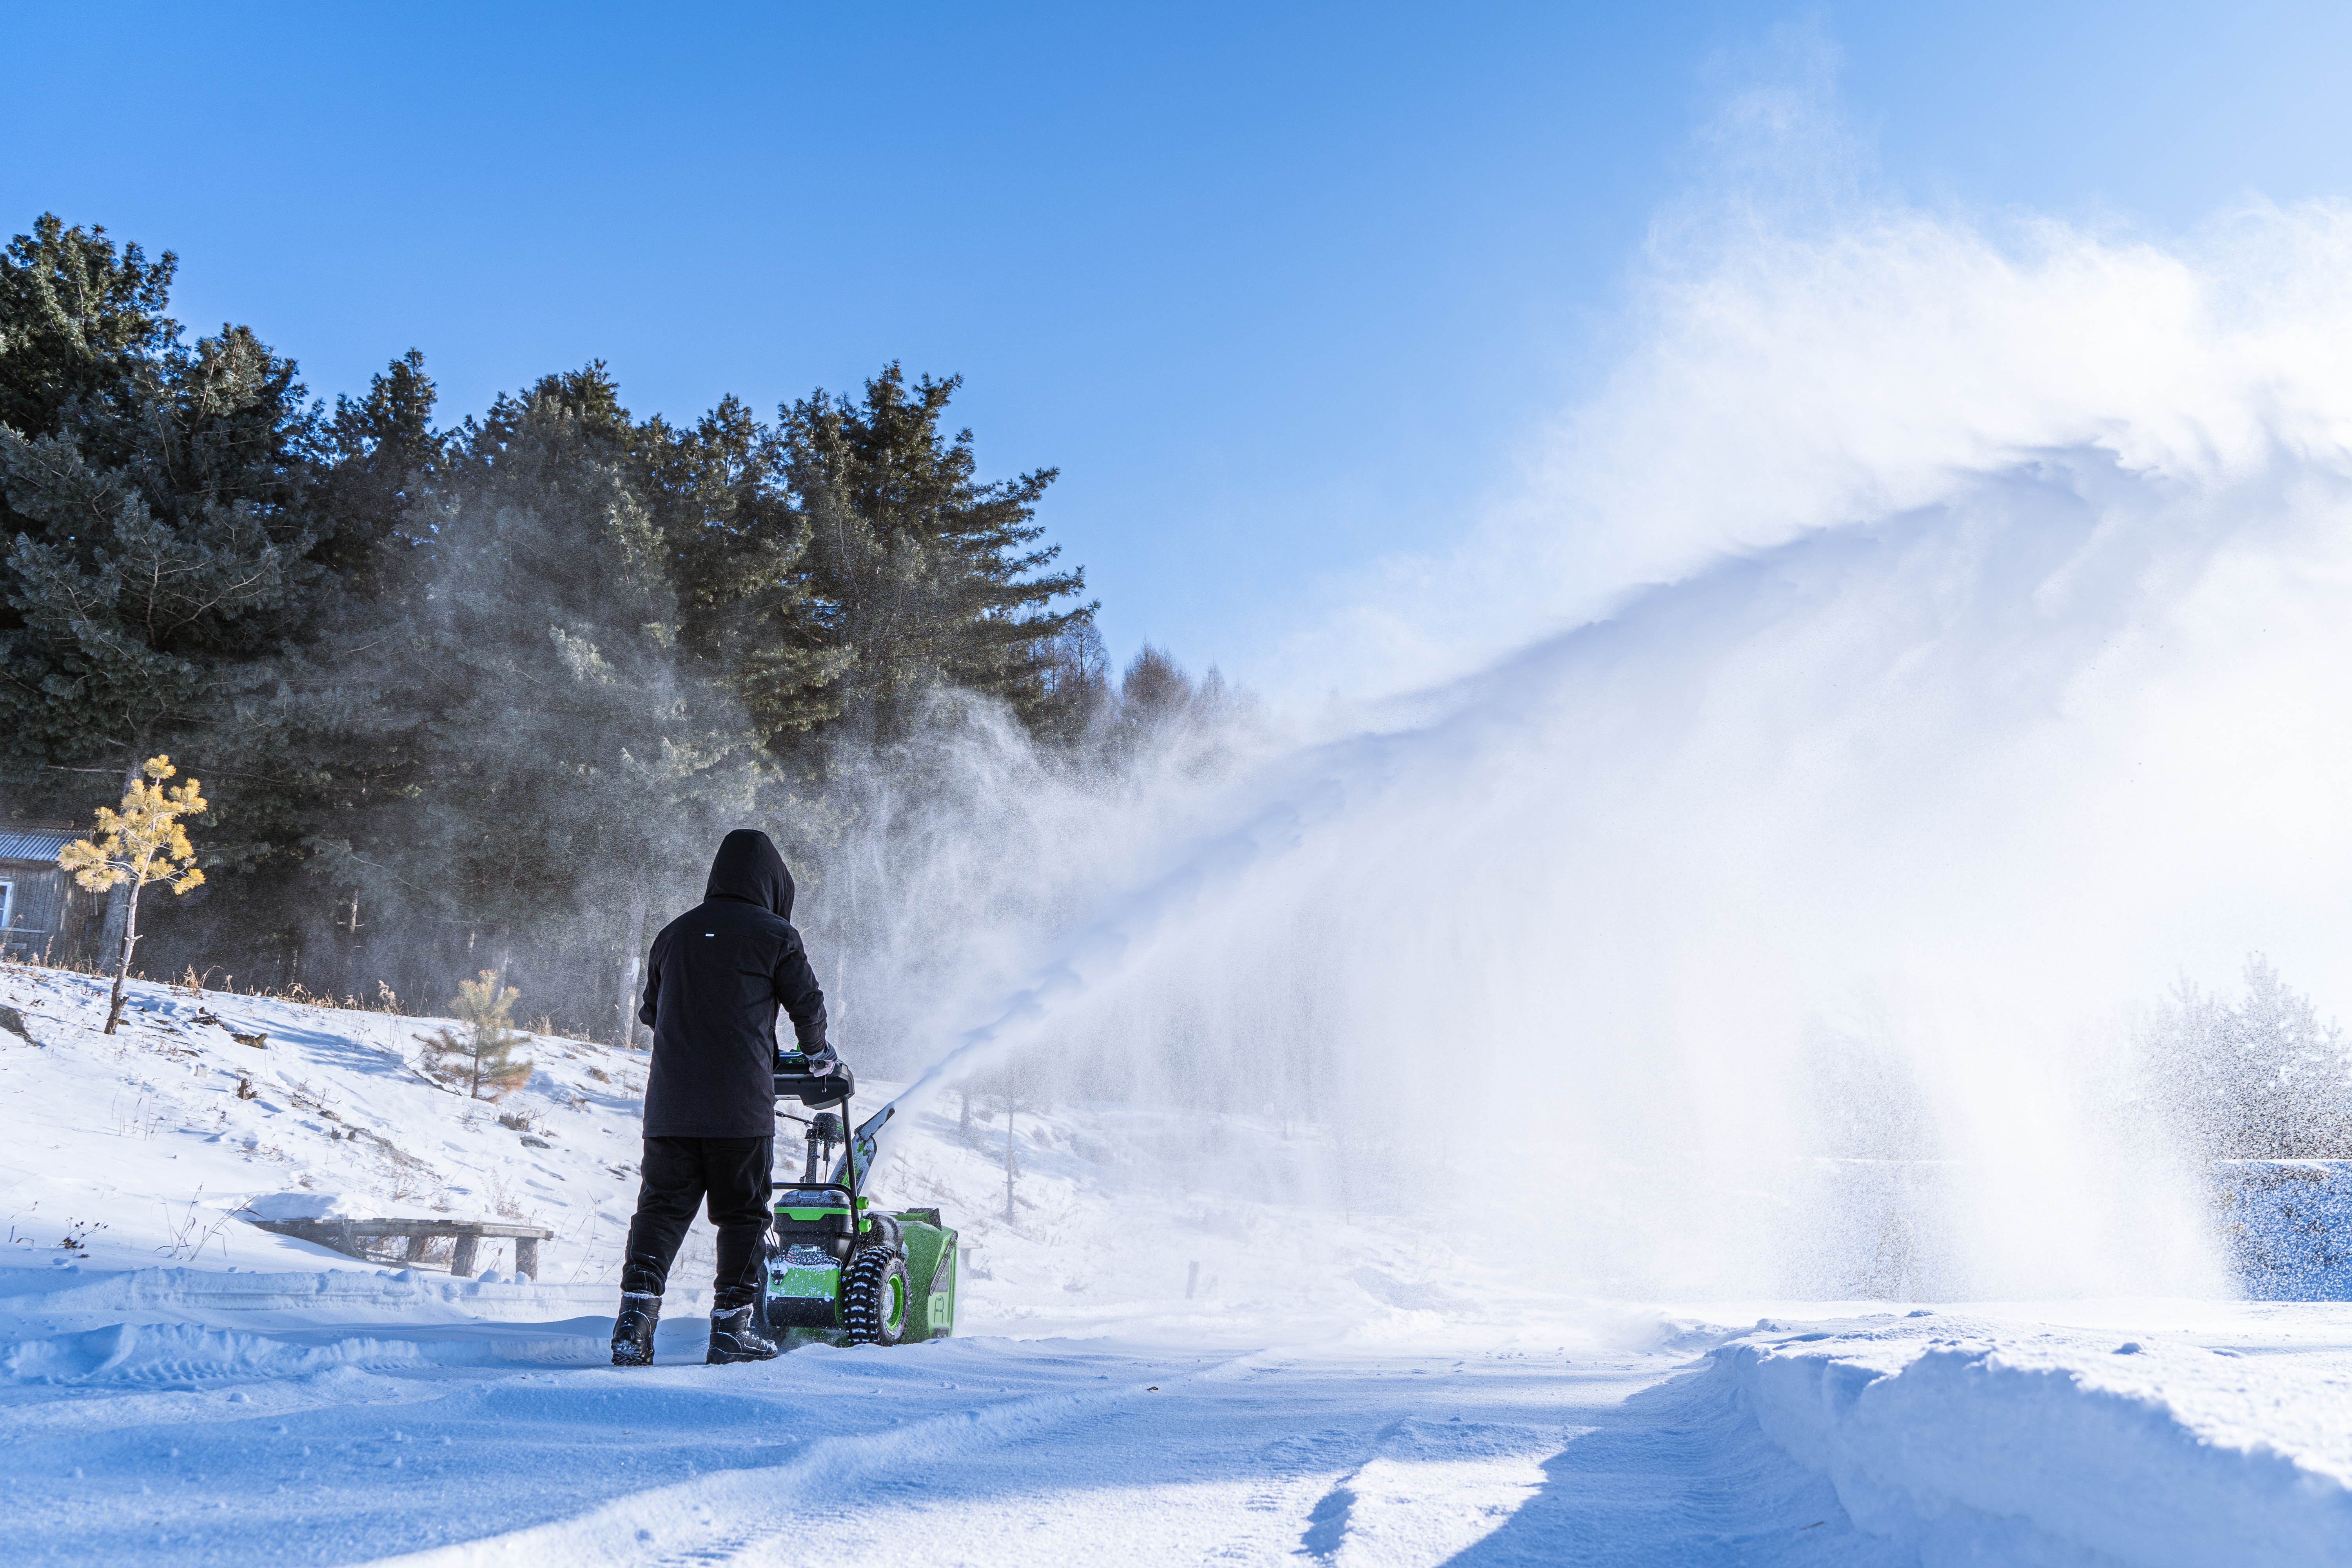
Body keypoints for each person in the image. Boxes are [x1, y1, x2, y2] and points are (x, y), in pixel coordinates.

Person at [610, 828, 838, 1367]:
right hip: (740, 1108)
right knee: (743, 1216)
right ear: (772, 883)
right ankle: (733, 1331)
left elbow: (651, 1013)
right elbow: (808, 1007)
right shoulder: (776, 934)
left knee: (661, 1211)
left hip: (670, 1106)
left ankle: (633, 1327)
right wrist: (817, 1053)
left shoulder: (673, 935)